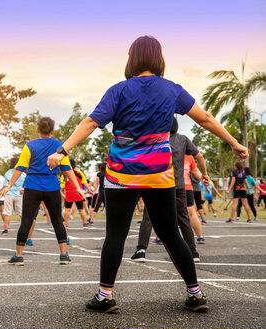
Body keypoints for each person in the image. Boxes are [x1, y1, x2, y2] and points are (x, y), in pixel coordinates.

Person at [48, 36, 247, 313]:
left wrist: (62, 149)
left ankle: (105, 297)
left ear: (131, 59)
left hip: (120, 174)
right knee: (171, 234)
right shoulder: (171, 89)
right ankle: (196, 294)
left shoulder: (118, 90)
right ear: (159, 58)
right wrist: (233, 142)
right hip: (158, 174)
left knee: (115, 235)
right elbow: (205, 118)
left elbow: (92, 121)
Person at [0, 117, 85, 265]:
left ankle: (18, 256)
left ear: (38, 130)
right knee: (57, 220)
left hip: (32, 186)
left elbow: (20, 167)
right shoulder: (59, 146)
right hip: (52, 186)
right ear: (52, 130)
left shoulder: (29, 146)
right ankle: (63, 254)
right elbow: (66, 168)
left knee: (26, 221)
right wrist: (78, 187)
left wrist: (9, 185)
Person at [130, 119, 205, 262]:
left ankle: (141, 251)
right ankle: (192, 252)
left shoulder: (154, 139)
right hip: (177, 185)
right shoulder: (183, 139)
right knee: (183, 218)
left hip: (155, 184)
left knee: (148, 217)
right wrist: (205, 174)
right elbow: (199, 156)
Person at [1, 157, 26, 235]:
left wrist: (0, 191)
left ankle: (6, 229)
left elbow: (5, 185)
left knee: (7, 213)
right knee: (21, 213)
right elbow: (25, 184)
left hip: (9, 194)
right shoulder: (23, 173)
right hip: (20, 195)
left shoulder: (8, 173)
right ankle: (24, 229)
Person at [63, 159, 90, 228]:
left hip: (69, 193)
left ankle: (65, 224)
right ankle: (85, 223)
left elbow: (62, 185)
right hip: (78, 193)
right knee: (81, 209)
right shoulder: (79, 173)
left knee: (67, 209)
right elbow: (85, 183)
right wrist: (89, 190)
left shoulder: (65, 173)